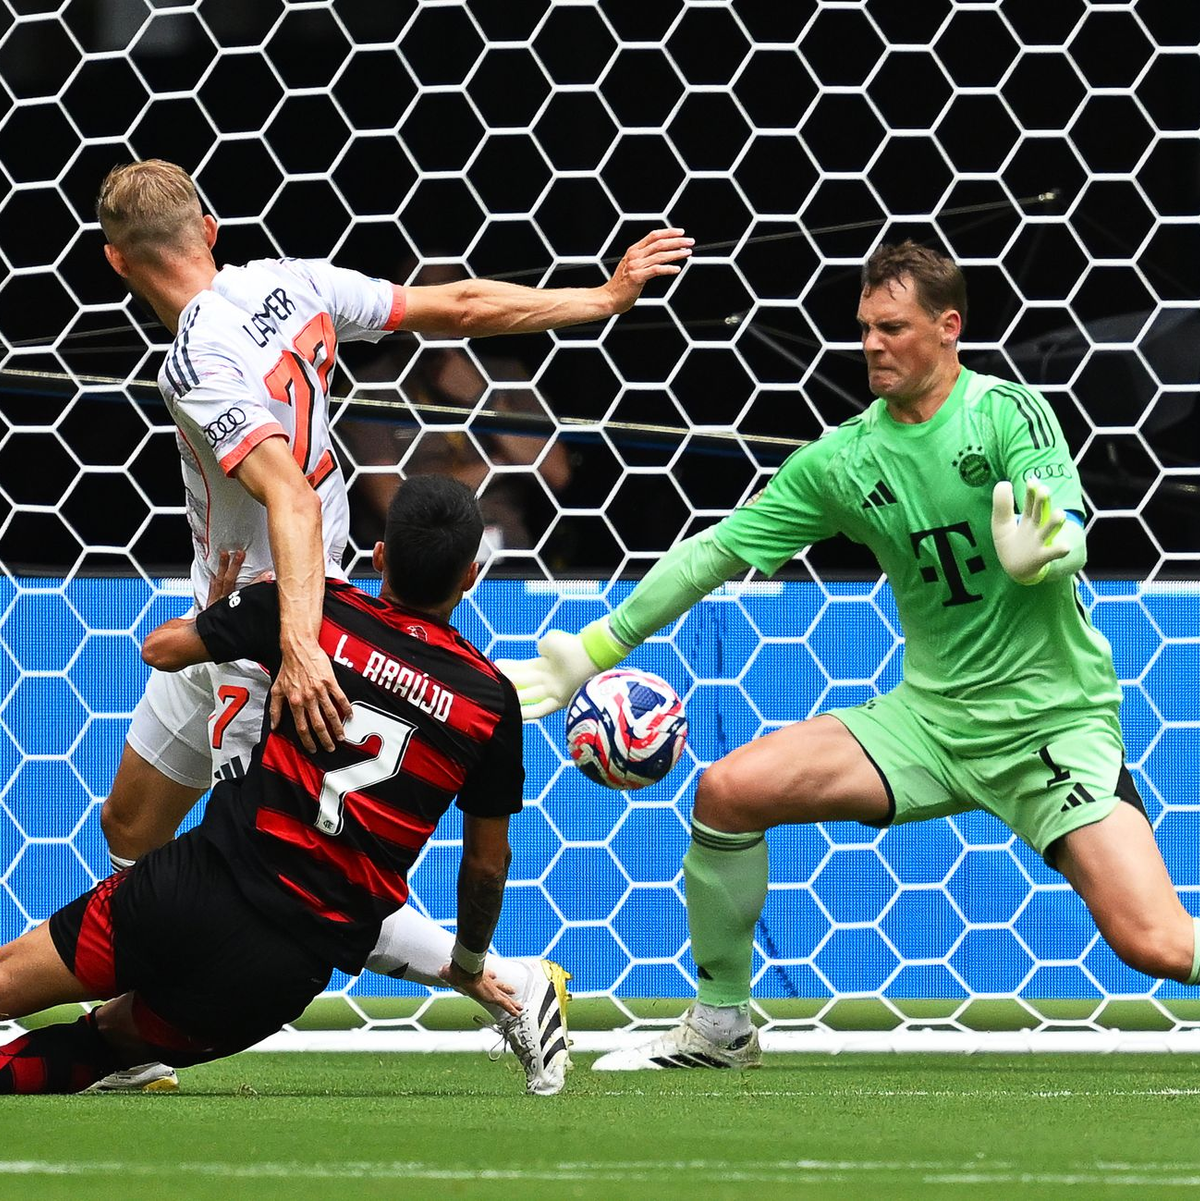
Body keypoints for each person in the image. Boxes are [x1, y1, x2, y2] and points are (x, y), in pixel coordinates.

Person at [499, 240, 1200, 1071]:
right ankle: (721, 1024)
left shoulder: (1007, 414)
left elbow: (1064, 526)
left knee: (1155, 944)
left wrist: (1045, 554)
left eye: (892, 327)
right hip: (928, 725)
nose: (871, 344)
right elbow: (714, 551)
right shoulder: (842, 461)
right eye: (865, 327)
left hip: (1050, 727)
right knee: (729, 790)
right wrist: (591, 648)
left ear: (948, 329)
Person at [91, 159, 690, 1088]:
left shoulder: (194, 361)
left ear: (115, 262)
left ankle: (506, 983)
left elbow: (287, 491)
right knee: (131, 820)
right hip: (224, 614)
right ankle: (134, 1019)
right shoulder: (292, 282)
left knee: (298, 872)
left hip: (282, 625)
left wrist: (296, 648)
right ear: (210, 229)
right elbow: (457, 304)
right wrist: (600, 299)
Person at [0, 475, 571, 1095]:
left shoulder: (310, 613)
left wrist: (216, 620)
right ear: (471, 576)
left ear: (379, 555)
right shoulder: (488, 704)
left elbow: (160, 650)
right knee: (106, 1044)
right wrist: (468, 966)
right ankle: (515, 985)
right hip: (286, 966)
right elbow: (487, 867)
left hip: (193, 886)